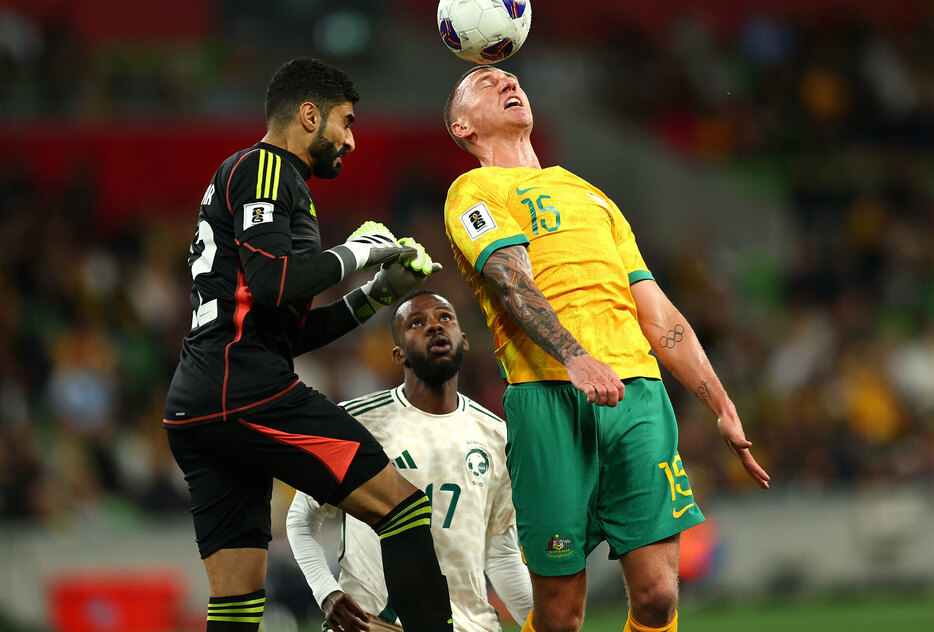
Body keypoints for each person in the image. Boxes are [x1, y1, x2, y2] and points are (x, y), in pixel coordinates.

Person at [440, 65, 771, 632]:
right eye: (486, 83)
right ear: (461, 126)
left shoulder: (592, 196)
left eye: (513, 78)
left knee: (658, 595)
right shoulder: (472, 192)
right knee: (561, 614)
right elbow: (510, 278)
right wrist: (574, 355)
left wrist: (719, 402)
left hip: (638, 396)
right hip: (547, 398)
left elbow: (657, 312)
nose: (507, 84)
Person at [163, 58, 454, 632]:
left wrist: (374, 295)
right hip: (244, 390)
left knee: (238, 600)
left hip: (204, 400)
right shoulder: (264, 168)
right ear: (308, 115)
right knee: (403, 508)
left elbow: (283, 328)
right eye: (345, 122)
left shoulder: (268, 182)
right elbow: (273, 280)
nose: (350, 139)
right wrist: (360, 252)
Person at [286, 290, 534, 632]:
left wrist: (542, 623)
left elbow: (500, 553)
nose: (434, 327)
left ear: (463, 339)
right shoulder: (356, 422)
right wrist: (326, 591)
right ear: (398, 354)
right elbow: (302, 518)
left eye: (444, 317)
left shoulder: (496, 435)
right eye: (417, 323)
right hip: (372, 622)